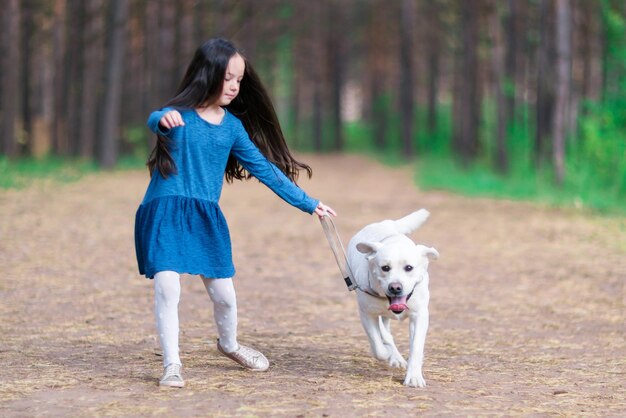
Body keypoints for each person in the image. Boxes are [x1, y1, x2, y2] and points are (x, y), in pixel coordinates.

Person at [134, 38, 336, 388]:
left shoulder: (231, 127)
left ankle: (228, 344)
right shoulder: (177, 115)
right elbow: (156, 119)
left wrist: (308, 202)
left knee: (224, 296)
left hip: (204, 218)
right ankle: (172, 364)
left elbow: (265, 169)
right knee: (168, 286)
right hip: (164, 210)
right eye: (228, 77)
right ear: (207, 74)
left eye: (239, 80)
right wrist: (160, 119)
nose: (233, 86)